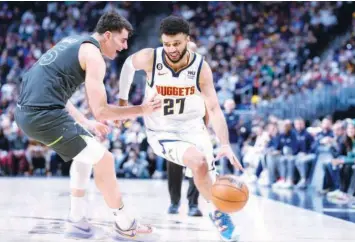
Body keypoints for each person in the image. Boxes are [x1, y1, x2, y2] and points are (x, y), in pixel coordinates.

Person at [15, 11, 160, 240]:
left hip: (31, 111)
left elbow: (53, 89)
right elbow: (102, 110)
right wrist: (142, 109)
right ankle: (124, 224)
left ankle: (77, 221)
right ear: (108, 35)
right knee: (105, 159)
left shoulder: (72, 41)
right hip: (41, 116)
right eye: (122, 40)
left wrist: (85, 122)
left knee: (86, 154)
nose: (124, 47)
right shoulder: (94, 57)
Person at [118, 15, 243, 241]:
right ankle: (219, 214)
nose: (171, 49)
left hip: (194, 129)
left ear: (187, 40)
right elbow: (128, 65)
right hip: (163, 131)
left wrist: (224, 144)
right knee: (198, 162)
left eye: (176, 43)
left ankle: (209, 207)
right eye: (167, 44)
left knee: (208, 178)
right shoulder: (150, 58)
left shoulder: (201, 68)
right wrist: (123, 100)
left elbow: (214, 109)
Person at [166, 41, 203, 217]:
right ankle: (174, 202)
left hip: (195, 126)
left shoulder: (202, 74)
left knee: (197, 164)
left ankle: (193, 204)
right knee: (174, 166)